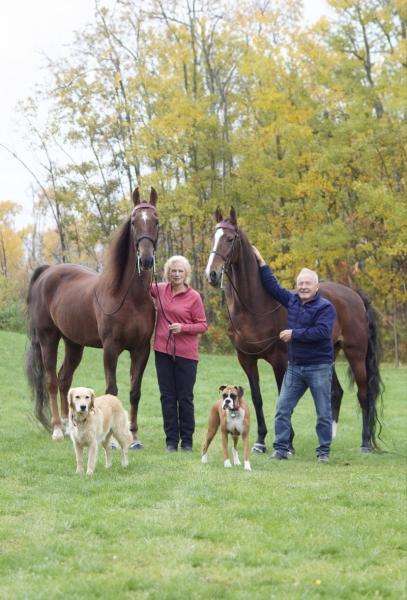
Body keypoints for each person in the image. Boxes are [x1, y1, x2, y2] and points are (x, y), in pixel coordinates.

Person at [252, 247, 336, 463]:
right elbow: (272, 287)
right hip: (295, 367)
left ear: (316, 286)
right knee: (282, 409)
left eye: (308, 283)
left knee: (324, 413)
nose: (303, 287)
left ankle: (323, 452)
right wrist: (262, 262)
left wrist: (294, 334)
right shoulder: (292, 300)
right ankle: (281, 449)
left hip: (319, 367)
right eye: (300, 283)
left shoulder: (325, 307)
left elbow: (323, 332)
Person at [151, 255, 208, 452]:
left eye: (180, 271)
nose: (176, 274)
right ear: (167, 272)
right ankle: (171, 442)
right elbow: (140, 284)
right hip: (162, 351)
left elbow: (203, 325)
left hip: (186, 355)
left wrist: (183, 328)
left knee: (184, 398)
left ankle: (187, 442)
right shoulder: (159, 289)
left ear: (186, 274)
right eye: (173, 271)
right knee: (167, 397)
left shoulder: (194, 297)